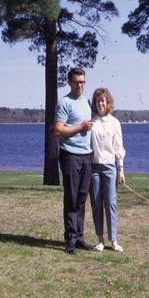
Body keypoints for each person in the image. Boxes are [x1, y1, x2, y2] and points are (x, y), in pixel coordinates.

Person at [54, 68, 95, 254]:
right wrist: (80, 127)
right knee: (71, 198)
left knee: (81, 198)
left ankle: (79, 238)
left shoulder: (86, 102)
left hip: (86, 155)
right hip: (70, 155)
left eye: (83, 82)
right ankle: (69, 239)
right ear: (70, 82)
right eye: (76, 82)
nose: (80, 85)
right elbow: (58, 130)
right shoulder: (64, 103)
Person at [89, 88, 126, 252]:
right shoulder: (90, 121)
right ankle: (100, 240)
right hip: (94, 168)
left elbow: (119, 147)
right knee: (96, 204)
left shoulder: (115, 122)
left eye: (103, 101)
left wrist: (121, 169)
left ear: (108, 103)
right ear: (95, 104)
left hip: (110, 167)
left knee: (111, 203)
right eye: (98, 101)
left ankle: (114, 240)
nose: (100, 104)